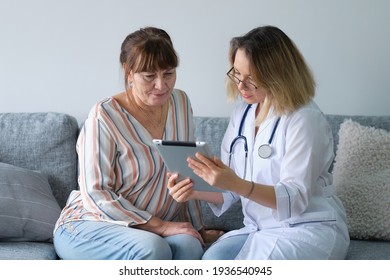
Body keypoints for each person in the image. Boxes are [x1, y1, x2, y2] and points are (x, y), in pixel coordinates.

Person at [168, 25, 350, 260]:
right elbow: (229, 188)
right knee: (211, 259)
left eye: (251, 79)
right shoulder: (243, 112)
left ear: (278, 77)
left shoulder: (304, 119)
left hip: (306, 228)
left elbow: (294, 198)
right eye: (237, 74)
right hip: (260, 230)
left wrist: (236, 183)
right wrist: (194, 190)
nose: (241, 86)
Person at [53, 26, 220, 260]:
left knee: (190, 245)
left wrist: (197, 229)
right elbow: (96, 192)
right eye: (149, 76)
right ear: (129, 72)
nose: (161, 85)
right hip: (90, 223)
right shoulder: (105, 116)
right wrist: (159, 226)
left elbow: (185, 173)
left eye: (169, 73)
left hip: (151, 227)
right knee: (153, 248)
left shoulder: (180, 102)